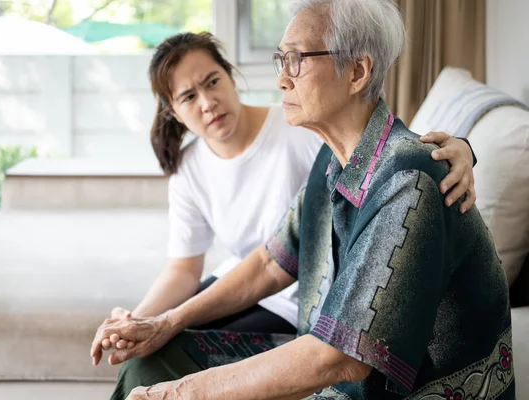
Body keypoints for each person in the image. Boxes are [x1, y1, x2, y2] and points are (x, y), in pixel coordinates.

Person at [92, 0, 514, 396]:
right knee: (150, 363)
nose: (281, 78)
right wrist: (163, 322)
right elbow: (268, 263)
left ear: (357, 72)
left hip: (385, 387)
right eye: (281, 60)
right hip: (320, 350)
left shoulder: (407, 182)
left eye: (296, 59)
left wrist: (182, 392)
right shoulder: (330, 162)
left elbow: (338, 362)